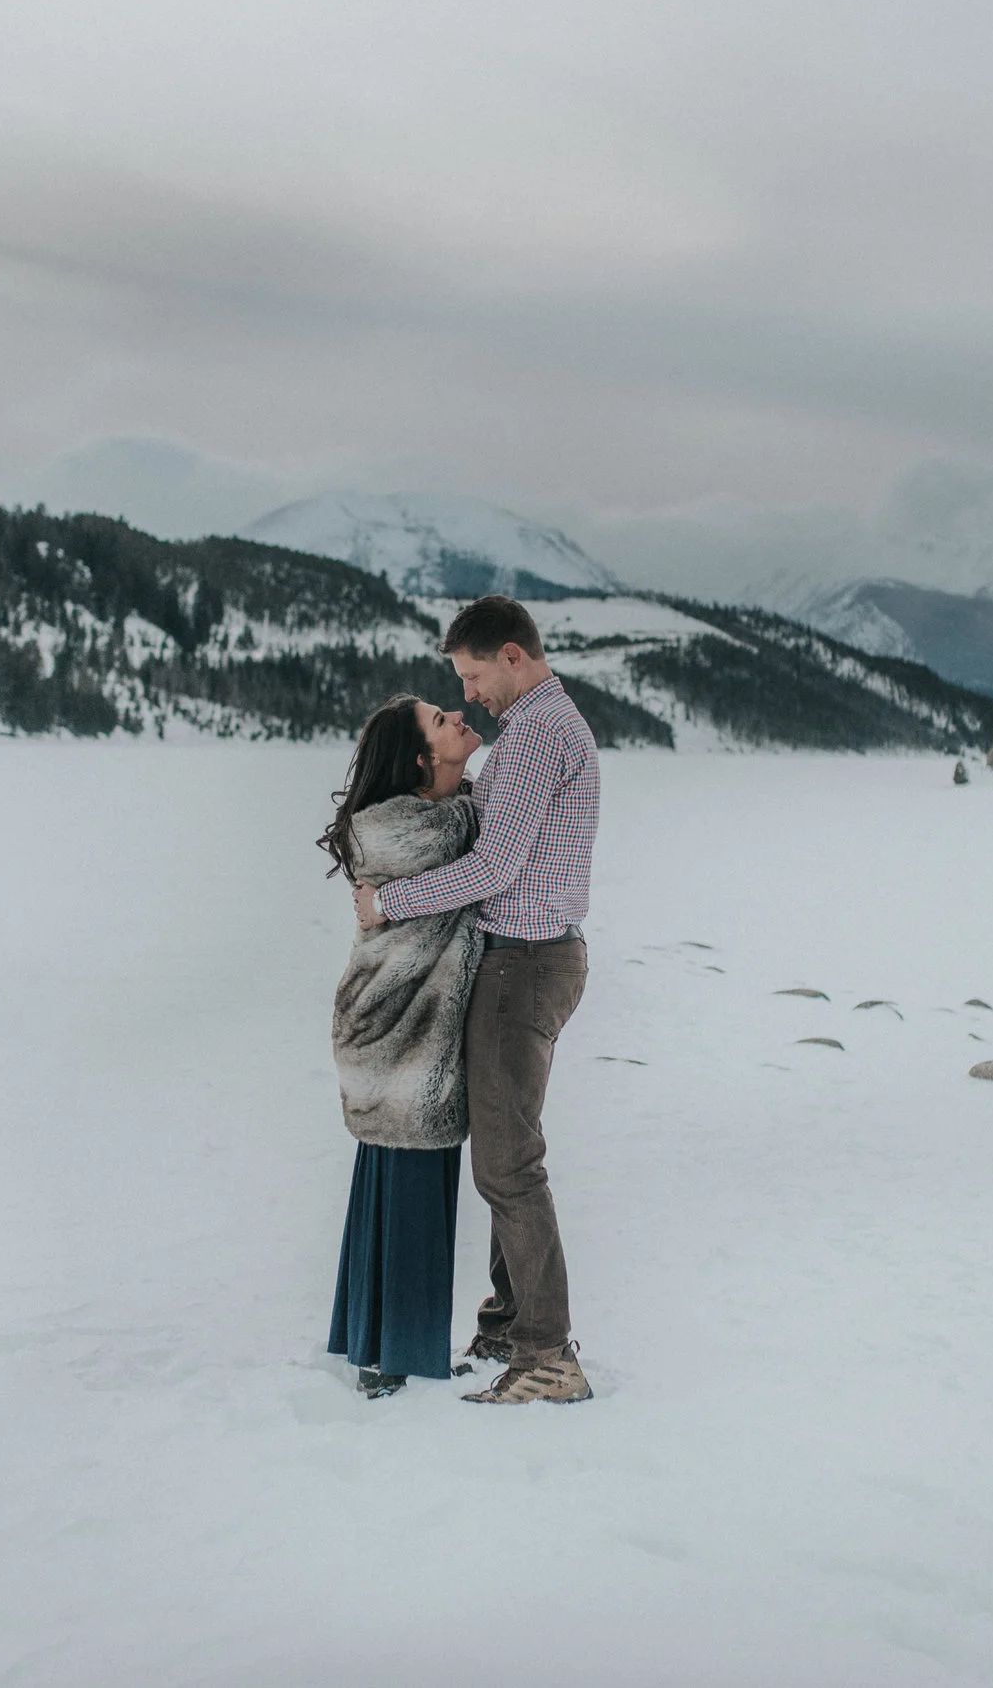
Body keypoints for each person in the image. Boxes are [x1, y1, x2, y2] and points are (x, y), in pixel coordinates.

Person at [356, 596, 599, 1406]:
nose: (469, 696)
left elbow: (493, 871)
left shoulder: (533, 735)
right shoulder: (540, 728)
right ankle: (507, 1323)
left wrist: (392, 902)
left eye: (471, 676)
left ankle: (547, 1357)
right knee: (505, 1150)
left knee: (507, 1164)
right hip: (527, 959)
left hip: (523, 964)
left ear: (511, 657)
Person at [321, 693, 485, 1397]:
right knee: (409, 1187)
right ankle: (396, 1358)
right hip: (396, 1033)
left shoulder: (440, 815)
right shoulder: (411, 831)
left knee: (398, 1183)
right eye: (439, 720)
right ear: (424, 758)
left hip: (408, 1034)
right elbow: (491, 845)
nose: (455, 714)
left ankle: (373, 1341)